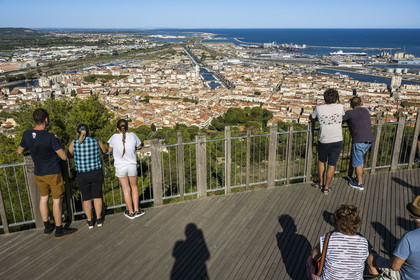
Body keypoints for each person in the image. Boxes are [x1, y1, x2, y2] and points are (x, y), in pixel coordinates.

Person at [17, 108, 77, 239]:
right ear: (46, 120)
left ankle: (47, 226)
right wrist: (58, 140)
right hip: (53, 172)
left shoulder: (27, 134)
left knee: (43, 198)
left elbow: (19, 151)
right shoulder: (50, 137)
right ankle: (59, 229)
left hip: (39, 173)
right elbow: (63, 157)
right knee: (57, 201)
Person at [366, 196, 420, 280]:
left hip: (407, 276)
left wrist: (397, 253)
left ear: (412, 217)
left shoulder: (408, 238)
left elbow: (395, 267)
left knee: (370, 258)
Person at [311, 203, 369, 279]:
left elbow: (314, 255)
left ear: (335, 221)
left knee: (310, 262)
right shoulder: (363, 242)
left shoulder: (328, 238)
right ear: (357, 223)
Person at [68, 124, 106, 229]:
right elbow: (104, 151)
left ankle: (89, 221)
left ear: (77, 133)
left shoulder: (74, 143)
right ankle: (98, 219)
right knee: (97, 196)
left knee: (86, 198)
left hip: (82, 174)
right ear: (88, 132)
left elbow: (68, 154)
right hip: (96, 172)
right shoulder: (96, 141)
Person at [310, 88, 345, 194]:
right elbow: (342, 116)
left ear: (324, 99)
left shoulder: (319, 108)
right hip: (338, 139)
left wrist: (318, 119)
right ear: (336, 98)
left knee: (321, 161)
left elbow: (311, 117)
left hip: (324, 140)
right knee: (332, 164)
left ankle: (320, 183)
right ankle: (326, 187)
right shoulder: (340, 107)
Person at [108, 119, 145, 219]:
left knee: (126, 190)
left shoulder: (114, 137)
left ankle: (131, 212)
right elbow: (139, 146)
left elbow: (109, 150)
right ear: (127, 127)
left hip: (120, 166)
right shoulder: (132, 135)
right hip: (131, 165)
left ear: (117, 129)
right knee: (134, 187)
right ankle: (137, 210)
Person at [343, 96, 374, 191]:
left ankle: (359, 183)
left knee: (357, 163)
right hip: (369, 140)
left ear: (351, 105)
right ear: (361, 104)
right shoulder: (365, 111)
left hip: (359, 141)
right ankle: (358, 178)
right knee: (360, 161)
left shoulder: (349, 113)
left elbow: (341, 119)